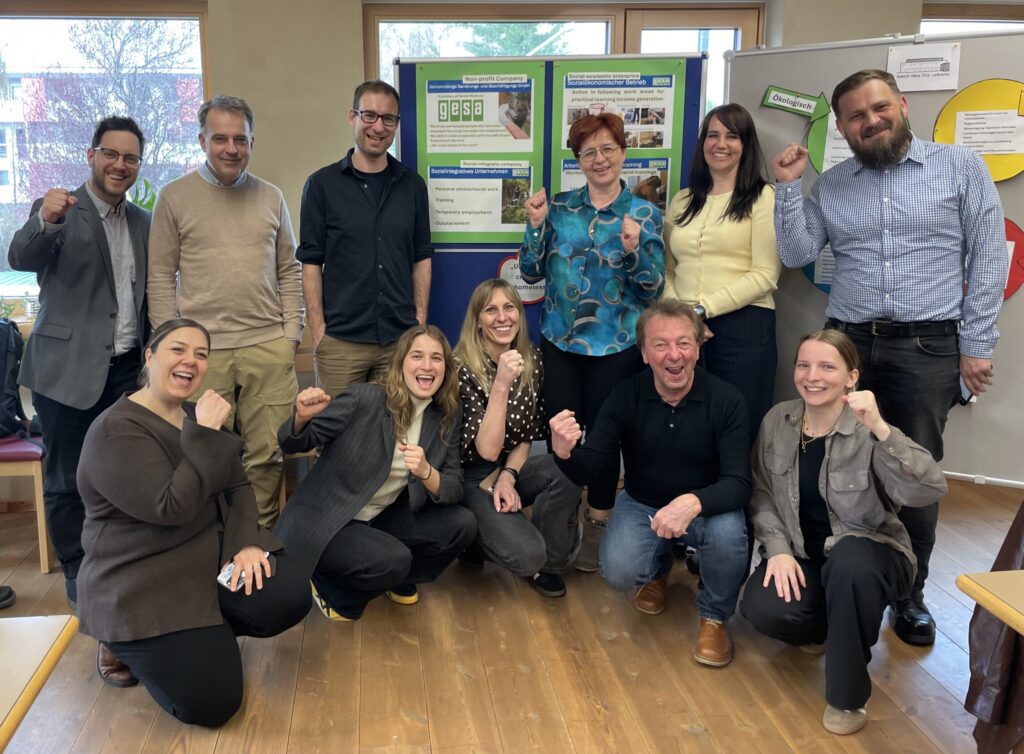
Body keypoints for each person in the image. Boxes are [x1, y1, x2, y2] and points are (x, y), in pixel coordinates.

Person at [772, 68, 1007, 646]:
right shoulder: (833, 184)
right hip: (849, 342)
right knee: (838, 460)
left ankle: (909, 594)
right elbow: (798, 250)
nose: (870, 121)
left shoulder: (960, 168)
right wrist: (786, 187)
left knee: (913, 470)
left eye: (879, 108)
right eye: (856, 116)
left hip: (927, 345)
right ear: (845, 129)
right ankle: (839, 573)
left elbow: (989, 260)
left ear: (900, 106)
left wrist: (976, 346)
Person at [75, 319, 310, 727]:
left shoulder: (192, 414)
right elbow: (170, 507)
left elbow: (237, 485)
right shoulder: (115, 430)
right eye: (178, 349)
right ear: (149, 356)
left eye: (201, 354)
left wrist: (247, 543)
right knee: (214, 703)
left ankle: (203, 634)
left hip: (202, 554)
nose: (191, 361)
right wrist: (204, 432)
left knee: (287, 592)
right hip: (141, 578)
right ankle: (122, 641)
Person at [740, 330, 946, 736]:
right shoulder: (777, 420)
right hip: (805, 555)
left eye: (827, 366)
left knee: (850, 563)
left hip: (872, 555)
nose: (812, 376)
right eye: (804, 365)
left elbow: (927, 489)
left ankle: (847, 698)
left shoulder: (870, 427)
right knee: (762, 608)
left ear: (852, 377)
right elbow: (761, 493)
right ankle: (827, 627)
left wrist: (882, 430)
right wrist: (777, 550)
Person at [549, 299, 750, 666]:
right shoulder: (624, 396)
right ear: (643, 353)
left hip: (708, 506)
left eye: (684, 343)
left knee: (728, 537)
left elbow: (739, 484)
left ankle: (715, 616)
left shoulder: (727, 399)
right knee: (619, 570)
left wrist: (692, 503)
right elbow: (592, 468)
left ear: (697, 347)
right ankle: (656, 572)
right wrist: (564, 453)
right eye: (660, 345)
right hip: (644, 502)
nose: (674, 355)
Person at [8, 116, 149, 612]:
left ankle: (122, 563)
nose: (119, 164)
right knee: (67, 479)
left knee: (125, 475)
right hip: (65, 372)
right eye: (110, 153)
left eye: (130, 157)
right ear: (91, 156)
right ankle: (77, 570)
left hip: (128, 373)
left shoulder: (143, 222)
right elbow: (21, 257)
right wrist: (45, 220)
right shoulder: (60, 209)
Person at [148, 95, 303, 528]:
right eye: (220, 139)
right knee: (202, 451)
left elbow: (289, 270)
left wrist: (291, 334)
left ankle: (259, 541)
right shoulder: (174, 198)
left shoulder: (270, 198)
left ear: (252, 142)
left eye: (241, 139)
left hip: (266, 347)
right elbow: (159, 277)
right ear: (202, 140)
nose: (231, 148)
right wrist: (170, 346)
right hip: (201, 354)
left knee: (267, 454)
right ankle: (209, 543)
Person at [520, 112, 665, 573]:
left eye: (608, 149)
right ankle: (562, 515)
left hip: (615, 346)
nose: (599, 159)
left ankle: (600, 516)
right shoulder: (559, 208)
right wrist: (536, 225)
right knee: (561, 432)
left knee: (604, 437)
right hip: (561, 343)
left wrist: (632, 250)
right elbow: (529, 272)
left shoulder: (643, 213)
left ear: (623, 152)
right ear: (577, 159)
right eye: (588, 152)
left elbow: (653, 289)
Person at [274, 325, 476, 621]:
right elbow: (295, 442)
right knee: (393, 560)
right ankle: (332, 590)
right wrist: (301, 417)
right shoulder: (364, 398)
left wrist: (426, 471)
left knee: (463, 524)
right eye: (417, 356)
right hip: (328, 518)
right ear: (401, 363)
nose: (427, 366)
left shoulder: (446, 414)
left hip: (378, 517)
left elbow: (454, 487)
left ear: (446, 368)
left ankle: (394, 577)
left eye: (436, 358)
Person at [298, 80, 432, 398]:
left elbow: (421, 257)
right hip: (341, 343)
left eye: (388, 118)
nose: (378, 126)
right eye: (369, 115)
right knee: (339, 435)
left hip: (399, 340)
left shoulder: (412, 186)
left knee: (395, 433)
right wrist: (319, 333)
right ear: (352, 116)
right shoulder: (321, 185)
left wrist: (418, 322)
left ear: (397, 124)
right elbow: (311, 263)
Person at [453, 279, 580, 597]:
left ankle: (546, 565)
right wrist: (501, 383)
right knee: (526, 555)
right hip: (470, 477)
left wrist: (509, 476)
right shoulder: (461, 367)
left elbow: (526, 435)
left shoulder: (531, 358)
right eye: (491, 310)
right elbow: (485, 450)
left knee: (569, 468)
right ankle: (473, 537)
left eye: (509, 307)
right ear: (478, 321)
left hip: (509, 465)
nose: (502, 317)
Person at [664, 103, 780, 444]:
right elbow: (667, 268)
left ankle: (735, 498)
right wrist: (682, 315)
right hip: (683, 328)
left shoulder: (763, 198)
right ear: (702, 143)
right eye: (713, 135)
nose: (721, 143)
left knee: (738, 427)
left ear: (745, 144)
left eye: (732, 136)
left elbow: (765, 274)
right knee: (683, 426)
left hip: (743, 327)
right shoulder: (682, 200)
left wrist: (701, 311)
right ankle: (688, 497)